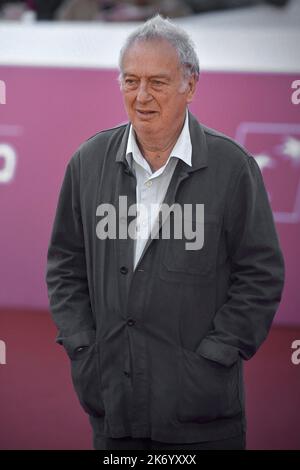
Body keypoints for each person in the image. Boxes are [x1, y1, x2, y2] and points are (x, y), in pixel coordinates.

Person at [45, 14, 285, 450]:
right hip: (113, 408)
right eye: (130, 80)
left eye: (157, 82)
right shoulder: (87, 162)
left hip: (203, 418)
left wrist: (218, 354)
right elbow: (65, 263)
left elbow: (261, 274)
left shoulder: (233, 169)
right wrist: (83, 348)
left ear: (190, 86)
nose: (141, 96)